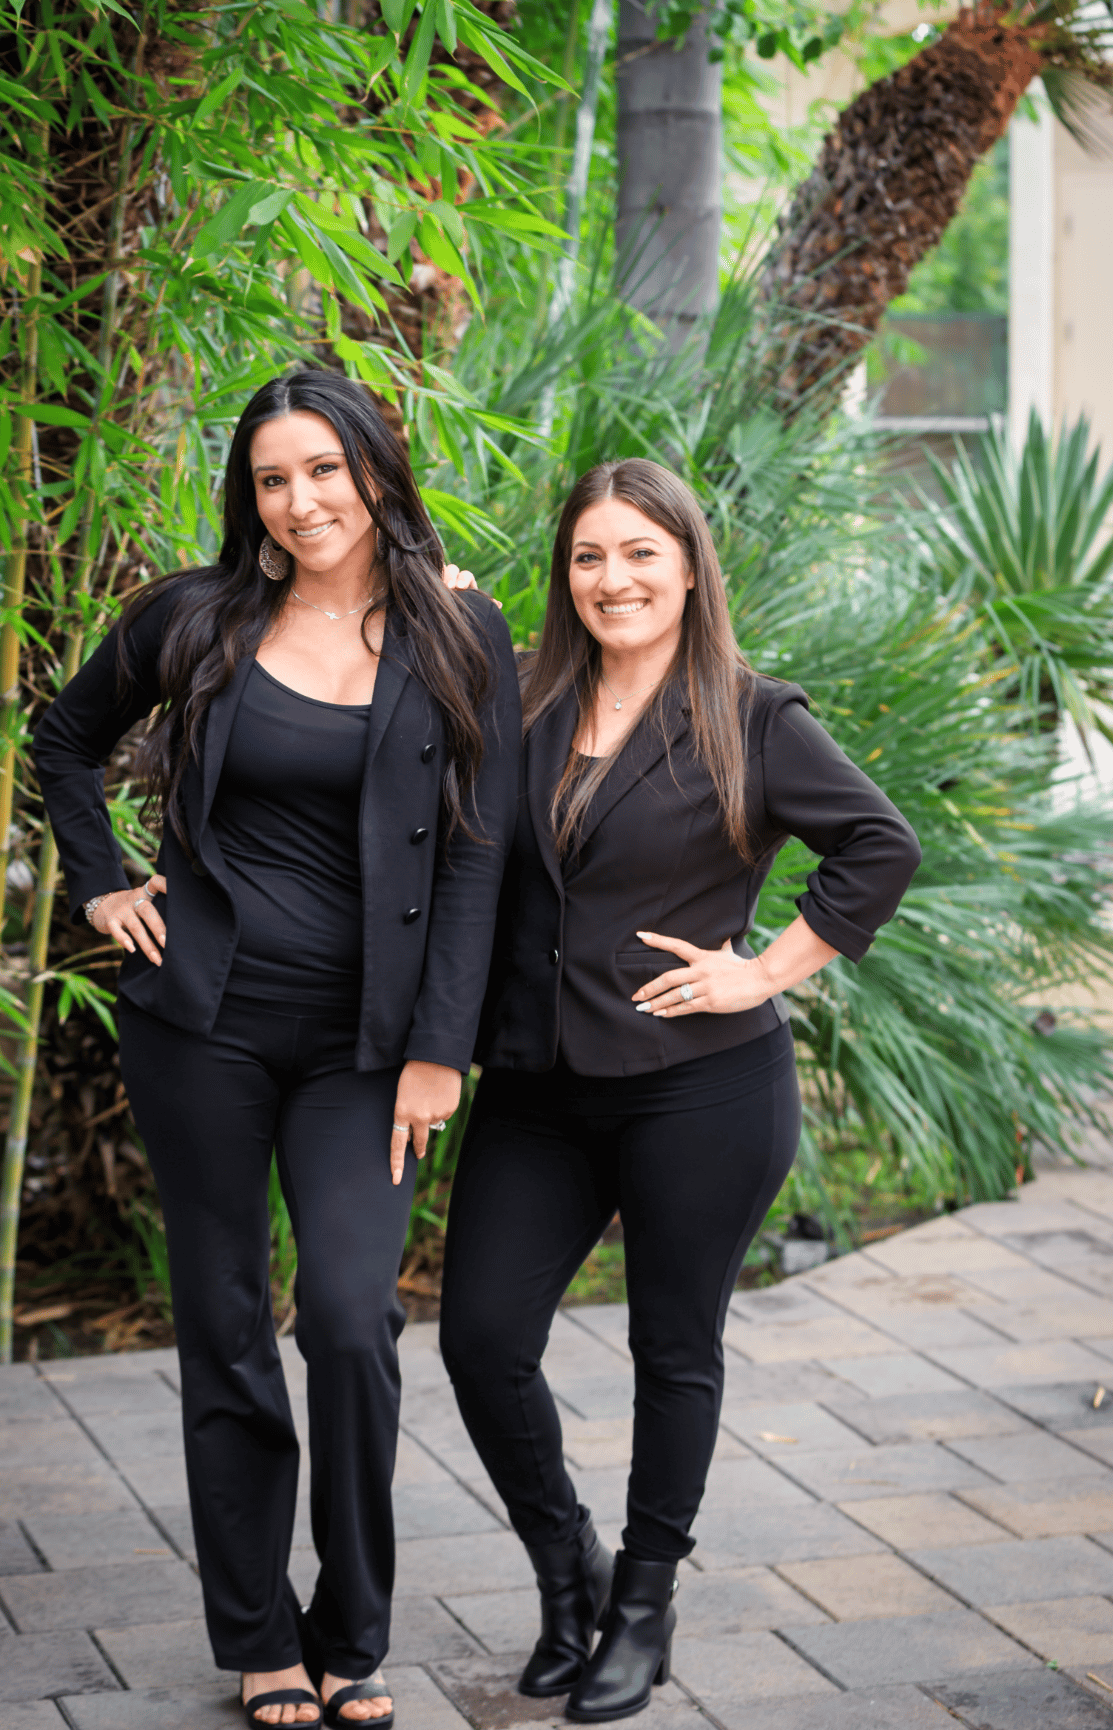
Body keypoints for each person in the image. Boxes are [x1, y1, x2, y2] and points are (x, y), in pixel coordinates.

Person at [32, 369, 519, 1730]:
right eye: (270, 477)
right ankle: (258, 1633)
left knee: (355, 1321)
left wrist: (442, 1052)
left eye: (323, 468)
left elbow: (479, 855)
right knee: (226, 1320)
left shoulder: (458, 630)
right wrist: (99, 881)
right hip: (204, 1026)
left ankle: (351, 1627)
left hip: (368, 1046)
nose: (299, 500)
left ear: (375, 469)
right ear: (247, 495)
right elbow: (63, 740)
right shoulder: (194, 618)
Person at [438, 458, 921, 1723]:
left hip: (699, 1089)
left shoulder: (749, 714)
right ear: (567, 576)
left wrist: (763, 970)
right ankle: (569, 1573)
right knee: (480, 1337)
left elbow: (880, 844)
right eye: (590, 557)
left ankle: (642, 1605)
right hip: (538, 1082)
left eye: (640, 553)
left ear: (690, 565)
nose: (614, 579)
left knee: (673, 1345)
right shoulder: (528, 700)